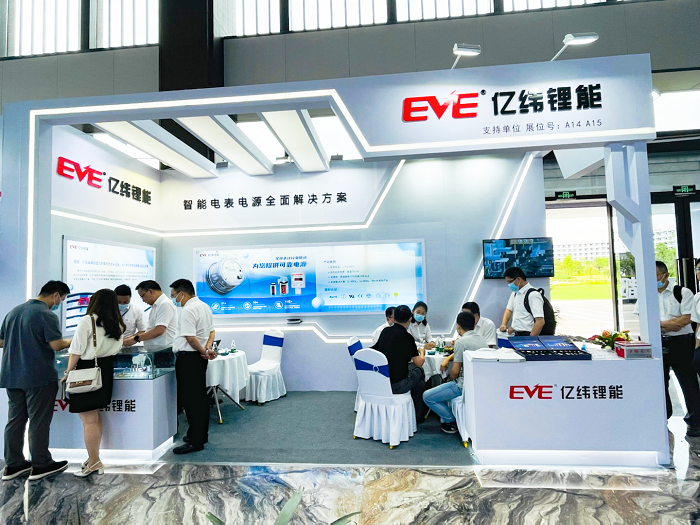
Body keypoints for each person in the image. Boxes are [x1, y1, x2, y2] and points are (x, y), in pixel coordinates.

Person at [0, 281, 72, 481]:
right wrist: (75, 340)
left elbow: (1, 341)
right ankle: (41, 464)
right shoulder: (46, 315)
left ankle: (13, 465)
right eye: (62, 299)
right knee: (39, 421)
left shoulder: (14, 311)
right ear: (55, 295)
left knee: (15, 421)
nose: (59, 303)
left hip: (12, 375)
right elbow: (56, 345)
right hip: (38, 376)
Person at [63, 289, 125, 477]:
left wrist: (68, 372)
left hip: (87, 370)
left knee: (88, 419)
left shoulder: (88, 320)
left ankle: (94, 461)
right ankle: (93, 458)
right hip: (105, 370)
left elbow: (76, 350)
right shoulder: (118, 324)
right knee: (94, 417)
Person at [650, 261, 700, 437]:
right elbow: (645, 320)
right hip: (658, 343)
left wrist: (659, 324)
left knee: (688, 382)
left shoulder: (682, 292)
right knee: (660, 383)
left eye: (656, 275)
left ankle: (695, 423)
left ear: (665, 275)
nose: (653, 279)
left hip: (682, 343)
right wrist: (668, 325)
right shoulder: (647, 294)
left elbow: (687, 318)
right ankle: (663, 419)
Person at [170, 279, 217, 454]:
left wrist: (203, 351)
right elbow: (211, 331)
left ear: (182, 293)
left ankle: (195, 441)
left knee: (191, 401)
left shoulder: (188, 310)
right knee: (199, 399)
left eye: (174, 295)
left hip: (189, 358)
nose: (175, 299)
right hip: (199, 358)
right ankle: (199, 435)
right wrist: (207, 349)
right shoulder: (204, 306)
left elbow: (190, 338)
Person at [423, 311, 487, 433]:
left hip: (462, 386)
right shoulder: (482, 340)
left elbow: (455, 371)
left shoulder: (461, 342)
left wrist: (448, 379)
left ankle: (450, 421)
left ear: (458, 326)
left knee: (427, 397)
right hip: (479, 384)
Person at [371, 305, 426, 420]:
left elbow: (373, 350)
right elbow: (419, 362)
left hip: (381, 381)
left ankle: (417, 413)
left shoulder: (385, 331)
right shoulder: (407, 337)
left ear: (394, 318)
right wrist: (422, 352)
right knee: (419, 371)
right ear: (410, 319)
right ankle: (418, 414)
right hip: (398, 385)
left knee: (418, 382)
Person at [123, 280, 177, 349]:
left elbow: (159, 330)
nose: (143, 300)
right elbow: (151, 329)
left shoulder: (165, 304)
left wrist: (136, 339)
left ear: (151, 291)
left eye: (142, 296)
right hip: (156, 350)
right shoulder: (155, 306)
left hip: (163, 350)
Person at [499, 267, 545, 336]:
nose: (509, 285)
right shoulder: (515, 293)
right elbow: (509, 310)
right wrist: (504, 325)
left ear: (518, 279)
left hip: (528, 334)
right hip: (516, 334)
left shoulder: (533, 295)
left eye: (510, 282)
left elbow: (540, 321)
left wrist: (531, 339)